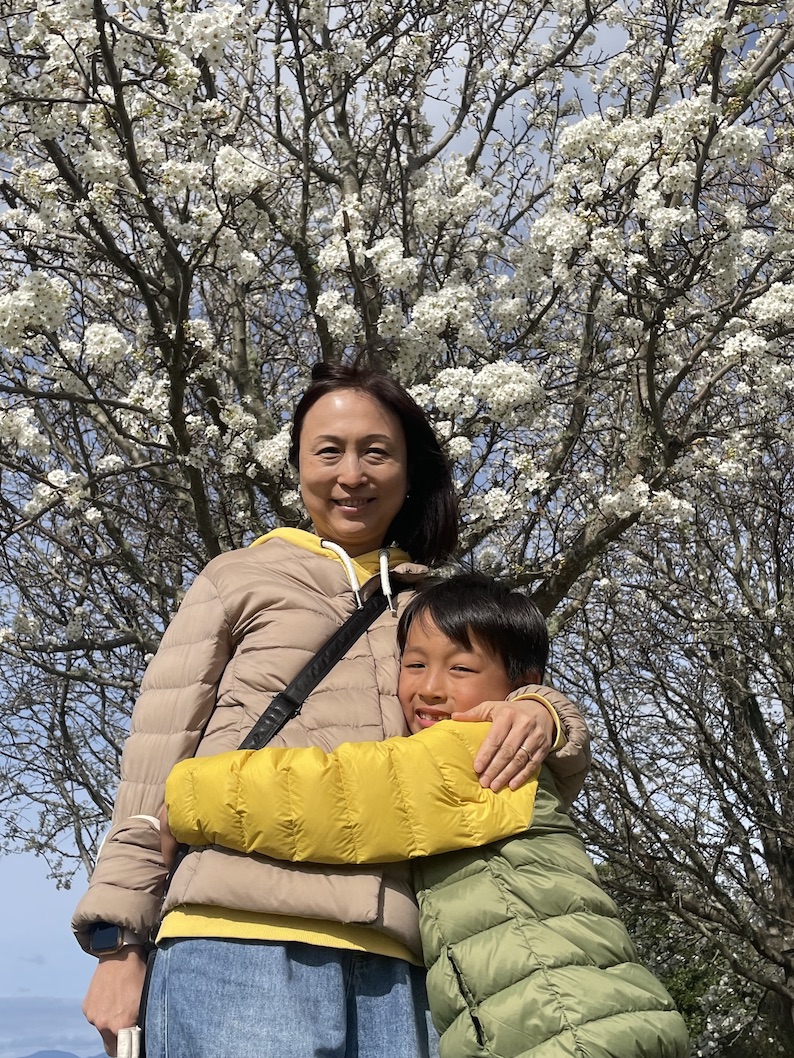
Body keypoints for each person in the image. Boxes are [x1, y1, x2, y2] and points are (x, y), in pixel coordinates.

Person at [72, 361, 591, 1058]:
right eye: (328, 451)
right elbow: (152, 765)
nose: (352, 474)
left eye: (376, 452)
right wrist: (119, 946)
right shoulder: (239, 578)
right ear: (298, 466)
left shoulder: (434, 607)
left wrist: (543, 712)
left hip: (403, 963)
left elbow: (506, 747)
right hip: (236, 940)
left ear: (410, 471)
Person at [164, 573, 690, 1058]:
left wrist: (188, 795)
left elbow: (341, 797)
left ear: (521, 682)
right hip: (563, 1017)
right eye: (414, 665)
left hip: (564, 1023)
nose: (430, 687)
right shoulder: (519, 748)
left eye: (461, 668)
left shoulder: (480, 748)